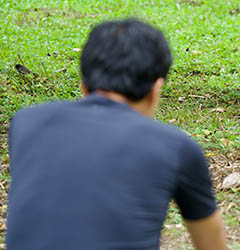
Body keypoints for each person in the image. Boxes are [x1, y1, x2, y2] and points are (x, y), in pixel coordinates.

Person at [7, 19, 227, 250]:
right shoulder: (176, 147)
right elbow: (211, 244)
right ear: (156, 89)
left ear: (84, 85)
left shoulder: (26, 122)